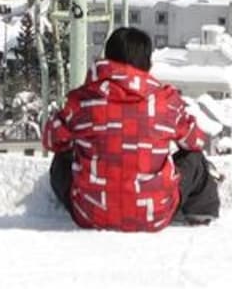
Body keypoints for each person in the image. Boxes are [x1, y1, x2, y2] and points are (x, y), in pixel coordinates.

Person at [42, 26, 221, 232]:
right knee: (195, 160)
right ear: (147, 62)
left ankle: (95, 198)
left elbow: (51, 140)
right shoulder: (165, 102)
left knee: (61, 159)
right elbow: (195, 141)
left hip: (90, 215)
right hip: (154, 215)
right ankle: (200, 213)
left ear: (107, 58)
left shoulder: (83, 100)